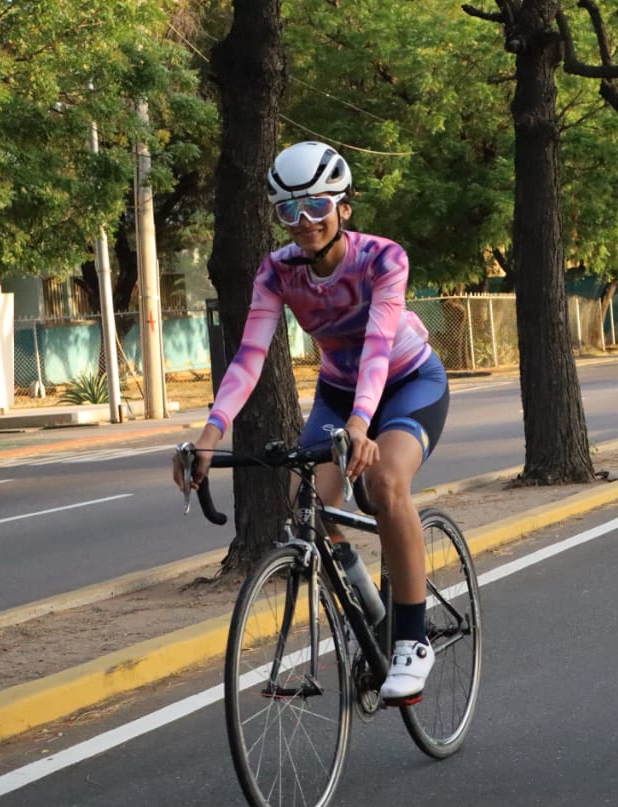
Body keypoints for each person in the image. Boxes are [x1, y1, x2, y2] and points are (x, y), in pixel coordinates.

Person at [172, 141, 450, 704]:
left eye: (318, 207)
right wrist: (209, 434)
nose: (304, 223)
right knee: (309, 504)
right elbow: (249, 356)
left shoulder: (382, 258)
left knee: (384, 482)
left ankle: (413, 640)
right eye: (288, 212)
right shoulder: (277, 271)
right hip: (340, 393)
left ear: (344, 208)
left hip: (406, 384)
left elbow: (376, 345)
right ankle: (373, 615)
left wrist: (361, 425)